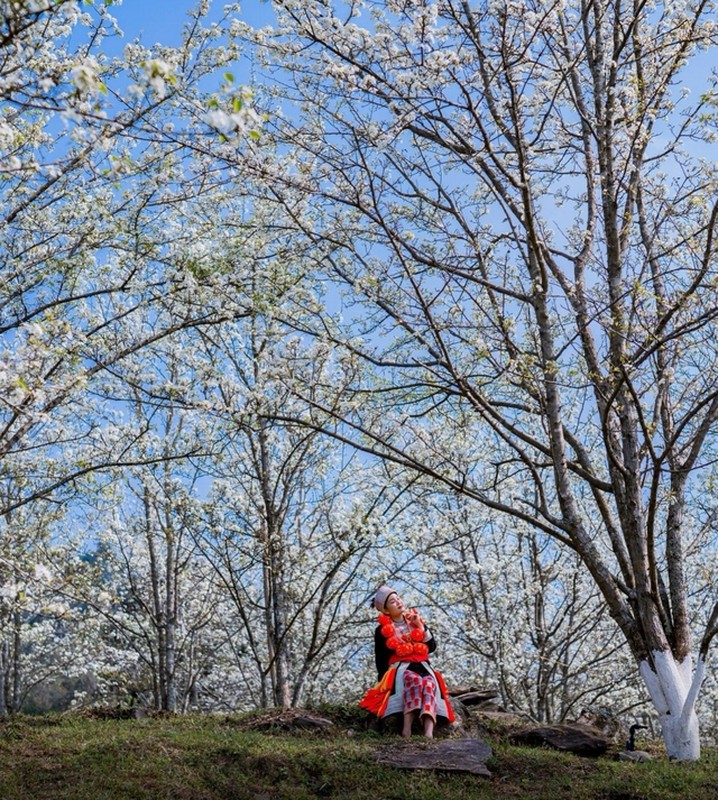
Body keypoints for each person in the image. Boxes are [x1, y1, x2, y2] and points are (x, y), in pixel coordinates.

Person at [359, 584, 455, 737]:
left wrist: (420, 627)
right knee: (414, 681)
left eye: (398, 598)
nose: (398, 602)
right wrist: (383, 682)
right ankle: (407, 728)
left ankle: (428, 732)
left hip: (423, 665)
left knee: (430, 683)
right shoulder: (382, 630)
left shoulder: (415, 620)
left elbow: (431, 647)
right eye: (392, 601)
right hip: (401, 667)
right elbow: (381, 658)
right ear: (385, 610)